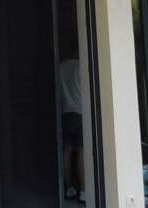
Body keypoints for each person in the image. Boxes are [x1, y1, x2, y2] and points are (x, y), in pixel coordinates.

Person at [59, 55, 84, 203]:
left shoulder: (60, 67)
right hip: (81, 113)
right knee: (82, 153)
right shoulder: (82, 65)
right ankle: (84, 192)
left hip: (66, 114)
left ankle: (69, 189)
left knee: (67, 153)